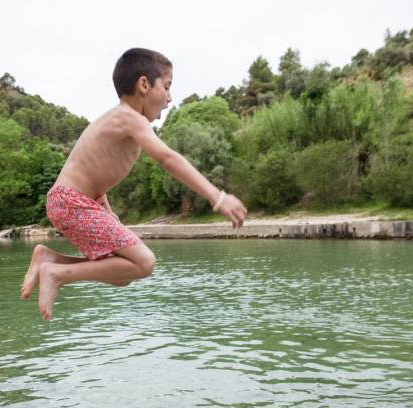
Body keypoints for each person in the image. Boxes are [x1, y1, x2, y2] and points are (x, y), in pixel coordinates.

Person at [20, 47, 247, 320]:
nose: (169, 98)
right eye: (167, 86)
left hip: (74, 202)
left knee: (121, 274)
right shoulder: (129, 117)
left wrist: (109, 214)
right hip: (71, 202)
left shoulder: (120, 121)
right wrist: (217, 197)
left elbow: (94, 175)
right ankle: (56, 274)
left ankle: (50, 259)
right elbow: (167, 158)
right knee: (144, 262)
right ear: (143, 84)